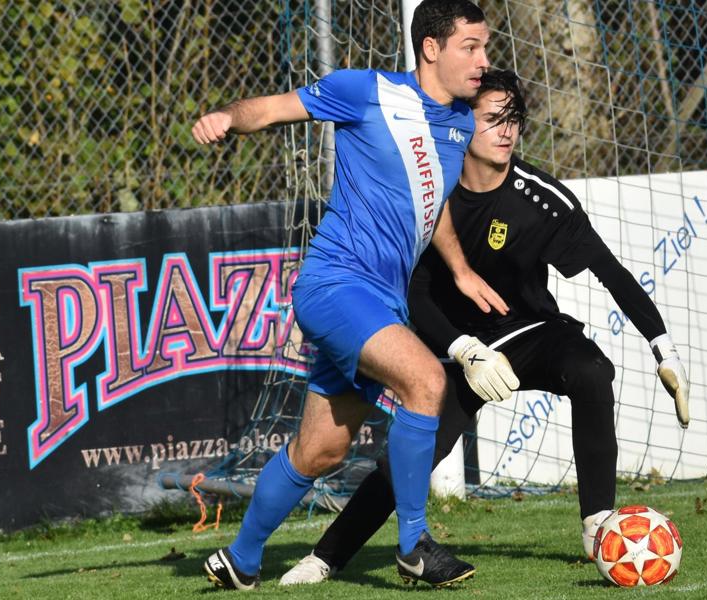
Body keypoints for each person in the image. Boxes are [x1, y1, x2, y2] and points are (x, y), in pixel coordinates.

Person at [277, 69, 691, 587]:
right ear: (460, 124)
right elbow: (412, 292)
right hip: (452, 348)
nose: (507, 131)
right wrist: (462, 347)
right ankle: (325, 558)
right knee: (413, 454)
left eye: (514, 120)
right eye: (493, 119)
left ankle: (597, 525)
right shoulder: (425, 197)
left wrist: (663, 347)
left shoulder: (541, 199)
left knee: (590, 369)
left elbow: (612, 273)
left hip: (529, 332)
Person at [191, 0, 519, 590]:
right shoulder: (364, 90)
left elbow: (432, 201)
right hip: (333, 284)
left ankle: (240, 559)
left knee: (319, 453)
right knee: (426, 380)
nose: (483, 60)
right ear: (431, 48)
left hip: (382, 303)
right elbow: (269, 109)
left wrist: (461, 268)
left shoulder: (461, 124)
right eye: (471, 46)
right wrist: (225, 117)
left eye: (485, 47)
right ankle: (414, 544)